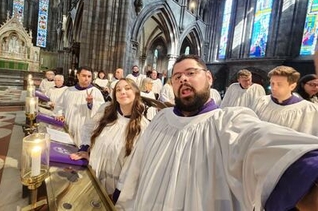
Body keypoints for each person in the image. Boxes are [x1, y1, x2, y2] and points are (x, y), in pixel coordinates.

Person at [114, 54, 318, 211]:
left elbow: (265, 143)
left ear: (209, 78)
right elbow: (137, 162)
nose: (183, 79)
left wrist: (307, 171)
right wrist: (121, 191)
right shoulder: (161, 119)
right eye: (177, 76)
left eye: (191, 73)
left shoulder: (229, 122)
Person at [70, 78, 149, 197]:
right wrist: (85, 148)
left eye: (127, 88)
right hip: (92, 175)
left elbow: (136, 165)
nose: (122, 92)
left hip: (115, 188)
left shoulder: (143, 126)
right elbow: (88, 127)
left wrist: (118, 193)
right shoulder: (106, 110)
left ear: (136, 93)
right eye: (118, 90)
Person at [251, 66, 318, 135]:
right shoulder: (261, 102)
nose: (273, 88)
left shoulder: (308, 110)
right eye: (272, 83)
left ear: (292, 86)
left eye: (279, 84)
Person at [54, 66, 105, 146]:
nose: (86, 78)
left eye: (89, 76)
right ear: (78, 76)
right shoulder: (68, 91)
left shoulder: (96, 92)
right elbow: (60, 106)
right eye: (84, 76)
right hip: (67, 129)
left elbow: (101, 112)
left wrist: (91, 103)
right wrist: (60, 114)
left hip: (84, 133)